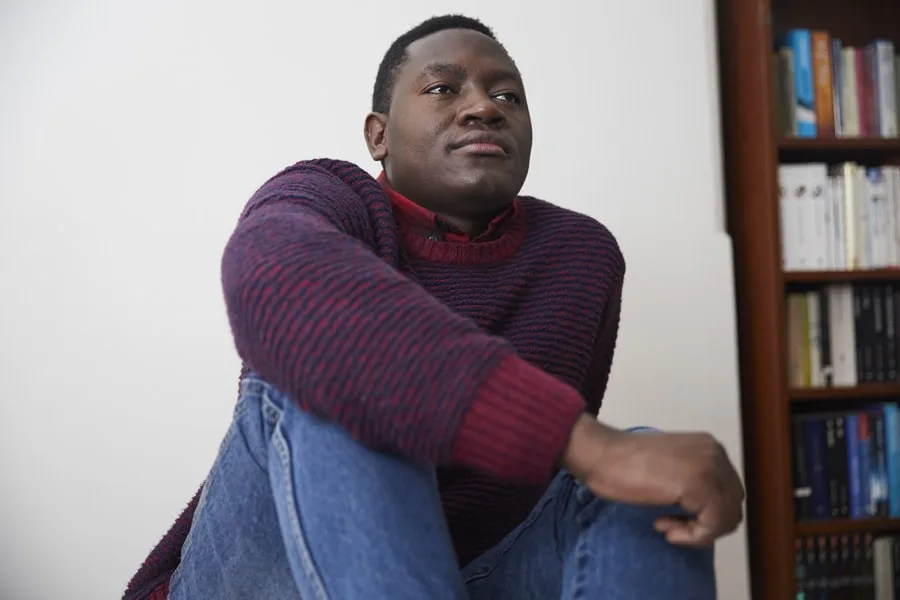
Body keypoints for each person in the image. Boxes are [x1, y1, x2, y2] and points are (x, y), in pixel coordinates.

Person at [123, 14, 745, 600]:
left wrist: (628, 462)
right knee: (334, 382)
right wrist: (590, 445)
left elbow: (535, 488)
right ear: (379, 135)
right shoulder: (327, 198)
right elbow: (274, 285)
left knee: (647, 467)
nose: (483, 107)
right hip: (268, 566)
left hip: (467, 572)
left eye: (508, 97)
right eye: (444, 88)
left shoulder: (581, 257)